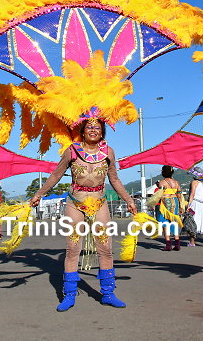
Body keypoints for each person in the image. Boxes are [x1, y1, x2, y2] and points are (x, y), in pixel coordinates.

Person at [29, 117, 137, 312]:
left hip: (100, 203)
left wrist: (128, 200)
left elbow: (114, 179)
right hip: (75, 203)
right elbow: (56, 174)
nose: (93, 130)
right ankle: (69, 294)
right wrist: (39, 194)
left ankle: (108, 294)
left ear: (102, 132)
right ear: (83, 130)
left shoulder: (109, 152)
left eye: (98, 128)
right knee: (72, 249)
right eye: (89, 127)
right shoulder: (72, 150)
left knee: (105, 249)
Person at [157, 165, 182, 251]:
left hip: (165, 202)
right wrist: (181, 206)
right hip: (175, 201)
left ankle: (168, 244)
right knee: (174, 221)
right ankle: (177, 243)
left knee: (165, 222)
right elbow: (179, 195)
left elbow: (159, 194)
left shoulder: (162, 182)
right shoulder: (176, 182)